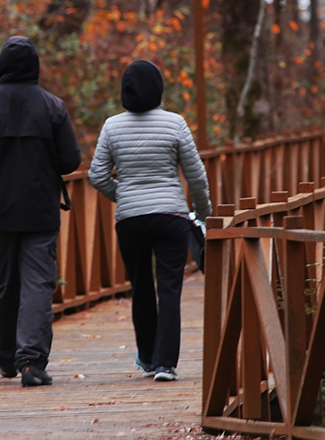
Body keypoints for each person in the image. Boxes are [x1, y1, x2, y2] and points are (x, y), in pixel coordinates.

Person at [0, 36, 82, 387]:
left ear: (1, 67)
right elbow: (71, 160)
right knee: (38, 284)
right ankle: (32, 364)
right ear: (34, 65)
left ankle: (4, 357)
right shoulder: (53, 106)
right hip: (40, 211)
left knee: (4, 285)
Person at [88, 60, 212, 382]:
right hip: (171, 217)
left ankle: (145, 356)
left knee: (140, 286)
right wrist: (203, 213)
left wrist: (124, 196)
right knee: (169, 289)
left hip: (130, 220)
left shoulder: (111, 126)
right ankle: (165, 364)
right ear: (158, 88)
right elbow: (196, 175)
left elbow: (97, 176)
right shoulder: (175, 123)